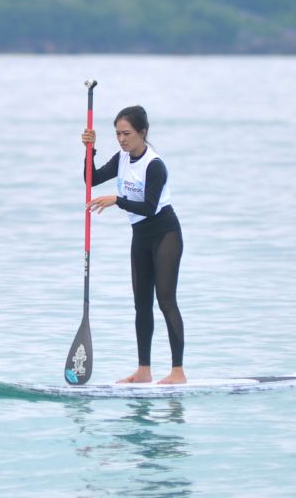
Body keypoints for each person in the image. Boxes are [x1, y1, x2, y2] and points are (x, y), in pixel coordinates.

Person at [81, 105, 186, 385]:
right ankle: (144, 370)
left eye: (126, 133)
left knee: (166, 301)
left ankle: (178, 371)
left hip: (165, 234)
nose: (122, 139)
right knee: (141, 305)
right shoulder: (122, 158)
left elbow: (150, 207)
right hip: (140, 236)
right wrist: (89, 150)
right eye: (117, 134)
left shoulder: (155, 165)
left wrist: (116, 200)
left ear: (143, 132)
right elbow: (90, 180)